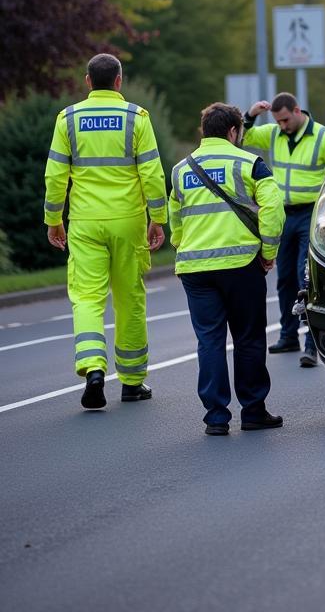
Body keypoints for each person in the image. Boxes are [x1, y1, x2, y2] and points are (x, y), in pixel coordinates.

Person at [43, 53, 167, 410]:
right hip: (128, 221)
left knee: (86, 297)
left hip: (84, 222)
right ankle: (131, 382)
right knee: (130, 298)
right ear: (118, 81)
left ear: (87, 81)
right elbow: (152, 173)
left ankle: (93, 367)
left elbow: (55, 176)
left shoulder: (67, 119)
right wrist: (157, 217)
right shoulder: (136, 118)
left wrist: (54, 219)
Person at [168, 103, 285, 435]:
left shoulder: (180, 170)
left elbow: (174, 218)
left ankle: (216, 417)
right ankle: (252, 411)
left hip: (195, 268)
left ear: (203, 131)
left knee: (209, 341)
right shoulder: (251, 164)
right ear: (234, 131)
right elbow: (272, 209)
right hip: (240, 265)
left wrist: (184, 247)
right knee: (248, 338)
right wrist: (268, 251)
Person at [242, 93, 325, 372]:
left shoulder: (323, 137)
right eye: (277, 121)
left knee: (305, 277)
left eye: (285, 119)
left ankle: (312, 343)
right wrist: (250, 115)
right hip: (284, 215)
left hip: (312, 215)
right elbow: (242, 138)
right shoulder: (274, 133)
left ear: (297, 110)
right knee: (284, 277)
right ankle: (288, 335)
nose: (282, 125)